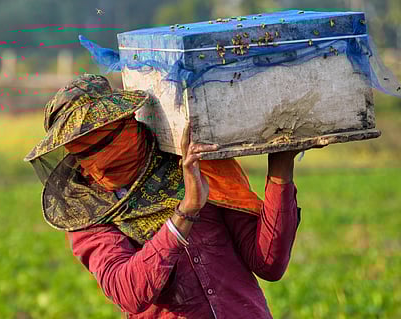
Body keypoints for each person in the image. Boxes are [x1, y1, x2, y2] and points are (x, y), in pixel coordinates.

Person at [25, 74, 302, 319]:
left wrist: (281, 169)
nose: (107, 153)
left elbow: (269, 263)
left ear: (129, 120)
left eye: (110, 134)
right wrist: (186, 212)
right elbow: (128, 291)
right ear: (76, 155)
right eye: (89, 146)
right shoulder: (86, 214)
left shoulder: (193, 162)